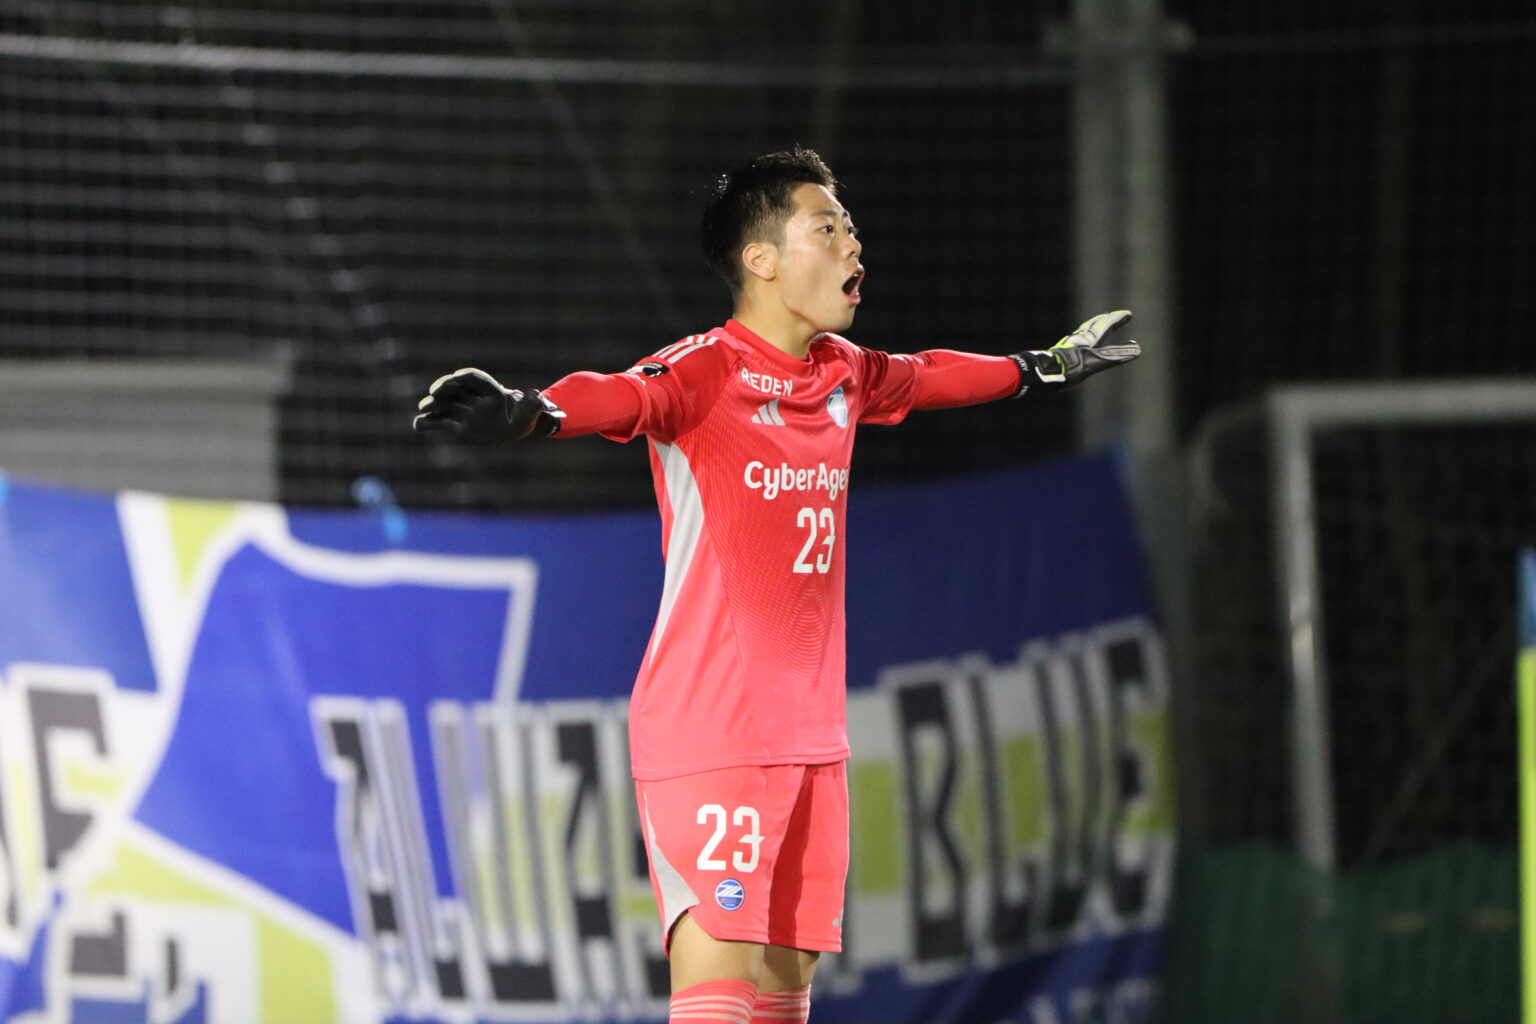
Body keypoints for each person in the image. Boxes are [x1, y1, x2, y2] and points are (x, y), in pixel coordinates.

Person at [413, 145, 1139, 1024]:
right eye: (827, 229)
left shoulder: (844, 372)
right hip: (713, 728)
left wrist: (1045, 365)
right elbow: (620, 396)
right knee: (719, 985)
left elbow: (930, 374)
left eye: (851, 228)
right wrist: (534, 412)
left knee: (785, 991)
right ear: (760, 258)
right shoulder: (704, 370)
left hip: (813, 738)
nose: (853, 245)